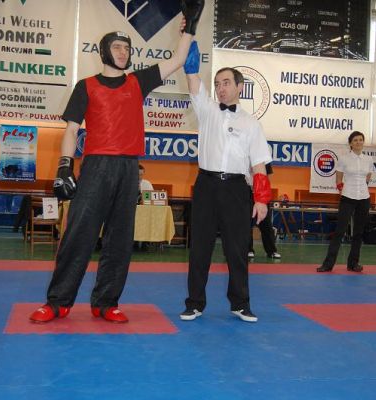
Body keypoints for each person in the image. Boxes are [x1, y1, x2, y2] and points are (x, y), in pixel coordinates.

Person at [29, 0, 205, 323]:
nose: (123, 52)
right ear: (104, 52)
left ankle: (106, 302)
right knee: (79, 234)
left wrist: (190, 25)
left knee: (120, 239)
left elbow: (179, 59)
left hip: (128, 169)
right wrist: (64, 166)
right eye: (117, 47)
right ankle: (57, 302)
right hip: (96, 166)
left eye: (126, 47)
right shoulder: (86, 86)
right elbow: (71, 130)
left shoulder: (138, 81)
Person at [180, 41, 272, 323]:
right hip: (206, 186)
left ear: (239, 87)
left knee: (237, 249)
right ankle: (195, 303)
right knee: (200, 248)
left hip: (236, 189)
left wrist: (261, 199)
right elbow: (193, 79)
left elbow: (259, 164)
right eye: (218, 83)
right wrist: (189, 44)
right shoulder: (207, 109)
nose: (220, 88)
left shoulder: (252, 124)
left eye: (226, 83)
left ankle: (240, 303)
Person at [317, 131, 374, 273]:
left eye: (360, 139)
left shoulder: (369, 160)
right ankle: (328, 264)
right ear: (350, 143)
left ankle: (353, 264)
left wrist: (361, 189)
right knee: (339, 231)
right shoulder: (344, 159)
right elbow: (338, 179)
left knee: (358, 233)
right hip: (348, 198)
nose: (358, 142)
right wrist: (344, 190)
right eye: (355, 140)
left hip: (364, 199)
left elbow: (367, 177)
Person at [248, 163, 281, 259]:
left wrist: (264, 194)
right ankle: (248, 250)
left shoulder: (264, 160)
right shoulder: (244, 158)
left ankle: (272, 251)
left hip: (261, 195)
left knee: (266, 225)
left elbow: (267, 178)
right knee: (247, 224)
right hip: (247, 193)